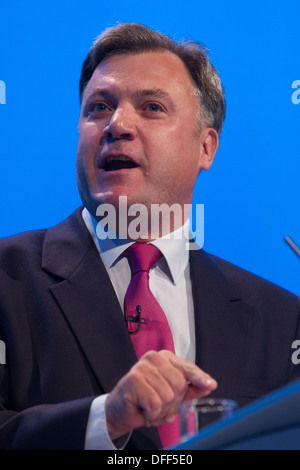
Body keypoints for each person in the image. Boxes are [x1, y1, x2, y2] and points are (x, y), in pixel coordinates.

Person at [0, 23, 299, 451]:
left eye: (152, 107)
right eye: (98, 107)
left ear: (206, 147)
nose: (117, 124)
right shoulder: (6, 281)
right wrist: (105, 419)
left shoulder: (282, 319)